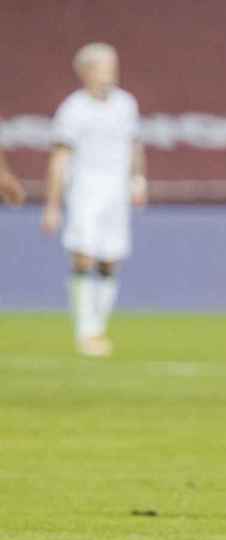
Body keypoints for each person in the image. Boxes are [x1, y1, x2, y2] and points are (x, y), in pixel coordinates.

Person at [41, 43, 146, 357]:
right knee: (83, 255)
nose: (111, 71)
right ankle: (86, 330)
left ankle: (98, 327)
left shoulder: (126, 104)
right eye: (104, 66)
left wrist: (139, 179)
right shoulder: (73, 109)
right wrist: (53, 204)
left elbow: (134, 145)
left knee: (110, 260)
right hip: (85, 190)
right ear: (85, 71)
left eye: (113, 64)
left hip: (117, 192)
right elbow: (59, 159)